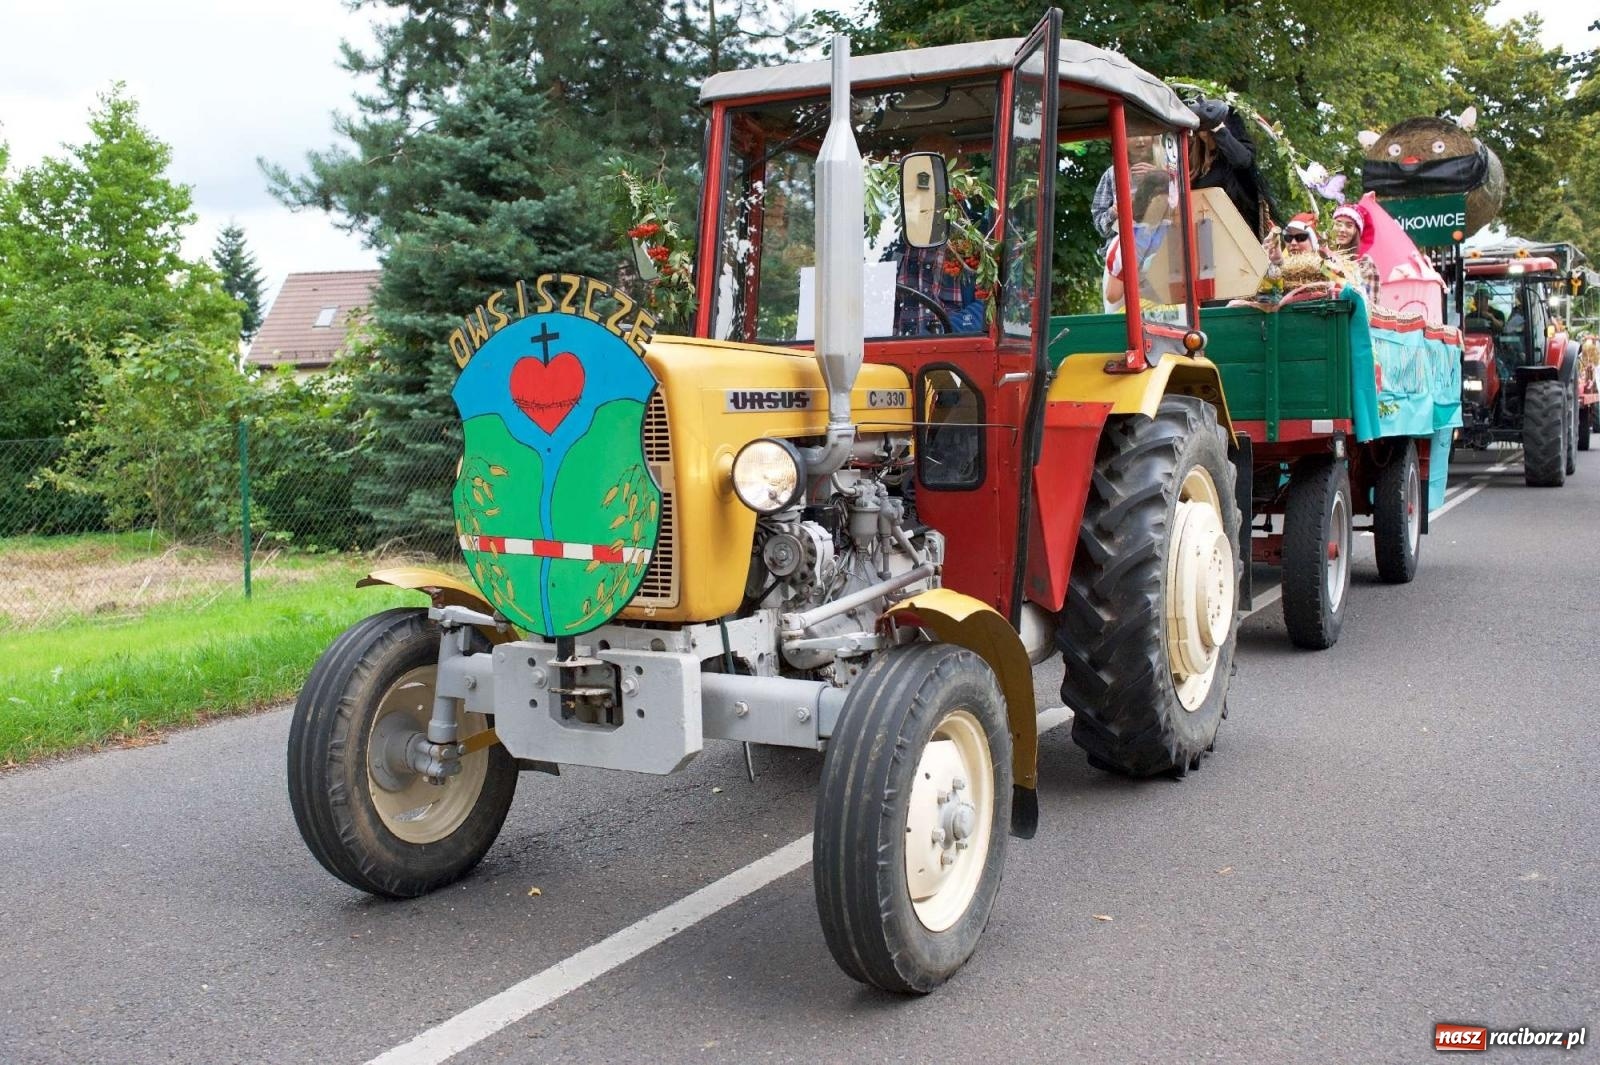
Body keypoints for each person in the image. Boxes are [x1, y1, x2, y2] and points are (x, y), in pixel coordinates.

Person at [894, 132, 990, 335]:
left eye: (928, 174)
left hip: (954, 354)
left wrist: (938, 332)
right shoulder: (900, 241)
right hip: (895, 352)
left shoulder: (981, 236)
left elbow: (991, 308)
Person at [1188, 98, 1272, 238]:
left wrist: (1219, 129)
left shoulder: (1232, 160)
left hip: (1234, 236)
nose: (1204, 131)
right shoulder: (1195, 162)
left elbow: (1242, 161)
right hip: (1201, 234)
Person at [1102, 173, 1173, 313]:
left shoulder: (1165, 232)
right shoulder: (1129, 240)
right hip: (1130, 319)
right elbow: (1113, 295)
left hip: (1163, 316)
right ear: (1155, 200)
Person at [1327, 203, 1379, 302]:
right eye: (1338, 223)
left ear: (1356, 231)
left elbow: (1371, 305)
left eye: (1349, 226)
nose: (1342, 230)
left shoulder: (1365, 262)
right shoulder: (1323, 258)